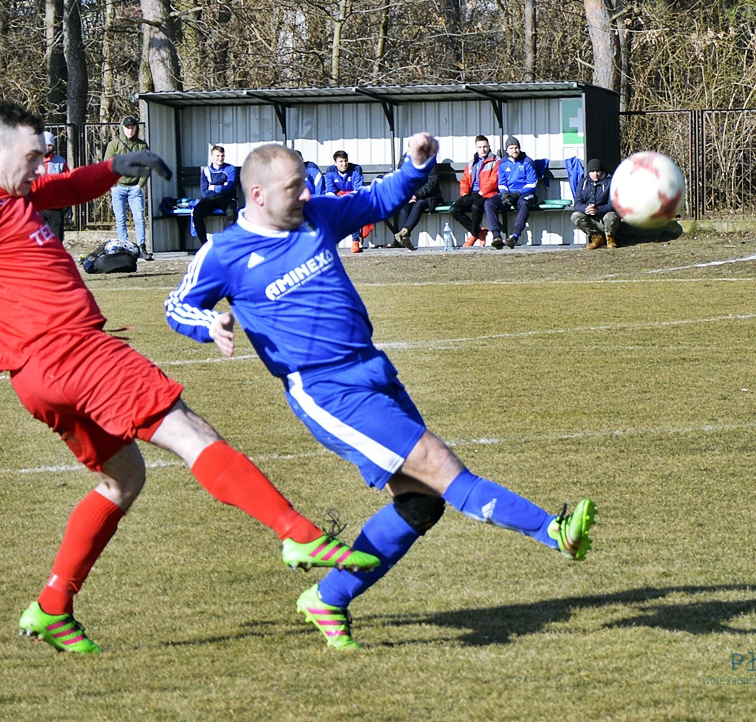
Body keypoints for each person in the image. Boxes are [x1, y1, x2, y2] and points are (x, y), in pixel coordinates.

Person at [0, 101, 378, 655]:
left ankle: (53, 606)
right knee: (189, 431)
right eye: (33, 157)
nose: (41, 168)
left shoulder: (16, 194)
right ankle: (297, 535)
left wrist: (113, 169)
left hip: (36, 376)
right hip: (74, 352)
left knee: (122, 478)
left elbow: (66, 189)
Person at [165, 135, 597, 650]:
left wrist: (417, 167)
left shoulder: (317, 216)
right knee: (438, 464)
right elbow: (176, 304)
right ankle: (553, 529)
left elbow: (377, 200)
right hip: (327, 392)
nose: (306, 194)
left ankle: (328, 598)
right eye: (294, 186)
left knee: (420, 505)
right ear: (257, 195)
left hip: (374, 370)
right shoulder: (225, 252)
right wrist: (208, 322)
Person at [104, 115, 154, 261]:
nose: (130, 131)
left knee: (139, 218)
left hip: (134, 188)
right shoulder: (114, 145)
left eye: (132, 128)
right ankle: (125, 248)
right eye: (127, 128)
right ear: (122, 128)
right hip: (118, 187)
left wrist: (140, 184)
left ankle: (141, 247)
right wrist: (112, 184)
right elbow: (108, 165)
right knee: (120, 219)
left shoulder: (142, 145)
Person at [484, 136, 538, 249]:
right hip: (510, 194)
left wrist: (517, 194)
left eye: (516, 148)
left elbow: (532, 184)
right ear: (507, 150)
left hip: (526, 194)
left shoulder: (527, 162)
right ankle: (496, 236)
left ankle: (515, 236)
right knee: (489, 203)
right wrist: (504, 194)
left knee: (524, 203)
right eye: (511, 148)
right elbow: (502, 183)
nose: (514, 150)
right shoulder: (503, 163)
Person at [449, 135, 499, 247]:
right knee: (454, 210)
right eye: (480, 147)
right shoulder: (472, 162)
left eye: (485, 146)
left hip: (488, 194)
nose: (483, 149)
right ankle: (478, 231)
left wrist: (481, 193)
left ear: (489, 146)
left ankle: (473, 235)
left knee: (476, 206)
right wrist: (465, 194)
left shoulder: (496, 161)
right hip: (472, 193)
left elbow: (493, 181)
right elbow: (465, 180)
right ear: (476, 148)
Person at [388, 159, 442, 250]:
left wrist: (416, 195)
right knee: (404, 205)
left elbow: (432, 183)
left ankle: (404, 234)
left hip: (429, 197)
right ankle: (403, 237)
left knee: (419, 204)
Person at [324, 150, 372, 253]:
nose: (344, 164)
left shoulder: (356, 169)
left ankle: (355, 241)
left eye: (345, 161)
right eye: (341, 161)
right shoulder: (330, 171)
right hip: (339, 199)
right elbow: (330, 191)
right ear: (335, 162)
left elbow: (358, 189)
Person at [192, 144, 238, 245]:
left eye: (222, 156)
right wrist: (222, 186)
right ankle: (204, 245)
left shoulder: (230, 169)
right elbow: (204, 191)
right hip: (210, 199)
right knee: (197, 213)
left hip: (227, 198)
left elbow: (230, 187)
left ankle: (225, 243)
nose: (220, 158)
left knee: (231, 213)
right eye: (217, 156)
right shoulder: (206, 171)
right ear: (212, 157)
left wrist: (214, 187)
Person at [571, 158, 620, 249]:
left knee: (611, 216)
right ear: (589, 172)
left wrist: (598, 210)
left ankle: (610, 238)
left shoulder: (610, 182)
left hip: (605, 216)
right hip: (590, 218)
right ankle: (597, 237)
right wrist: (587, 209)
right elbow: (577, 204)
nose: (595, 174)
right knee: (575, 216)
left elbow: (613, 204)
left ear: (601, 171)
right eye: (592, 171)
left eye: (598, 171)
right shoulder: (582, 183)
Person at [37, 130, 70, 242]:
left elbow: (67, 181)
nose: (47, 148)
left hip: (55, 205)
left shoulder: (60, 161)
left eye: (50, 145)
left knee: (57, 238)